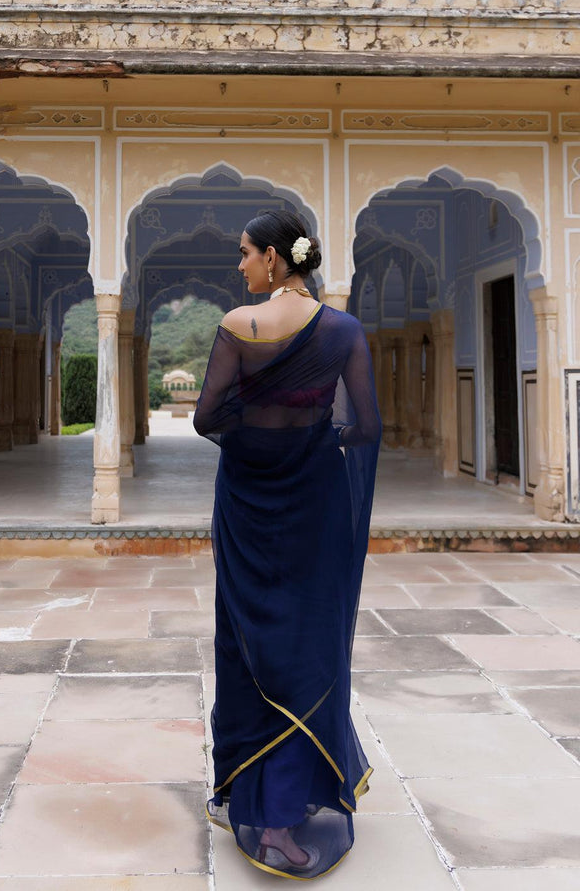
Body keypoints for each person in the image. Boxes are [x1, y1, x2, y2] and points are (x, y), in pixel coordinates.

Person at [193, 210, 381, 880]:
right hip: (317, 508)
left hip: (247, 508)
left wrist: (261, 435)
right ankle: (283, 809)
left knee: (247, 642)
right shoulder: (343, 330)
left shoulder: (239, 328)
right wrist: (310, 438)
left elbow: (207, 416)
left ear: (274, 258)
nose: (239, 266)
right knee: (309, 645)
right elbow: (363, 425)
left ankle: (248, 798)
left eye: (244, 253)